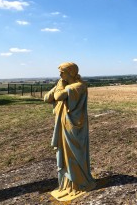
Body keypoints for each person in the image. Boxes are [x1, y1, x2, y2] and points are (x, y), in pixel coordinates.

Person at [44, 62, 95, 201]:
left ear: (71, 72)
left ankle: (79, 183)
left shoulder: (79, 86)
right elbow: (46, 98)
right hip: (63, 126)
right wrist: (58, 85)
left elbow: (58, 96)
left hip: (74, 128)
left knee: (74, 155)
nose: (60, 75)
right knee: (65, 156)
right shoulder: (64, 85)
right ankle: (68, 184)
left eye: (62, 72)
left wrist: (59, 86)